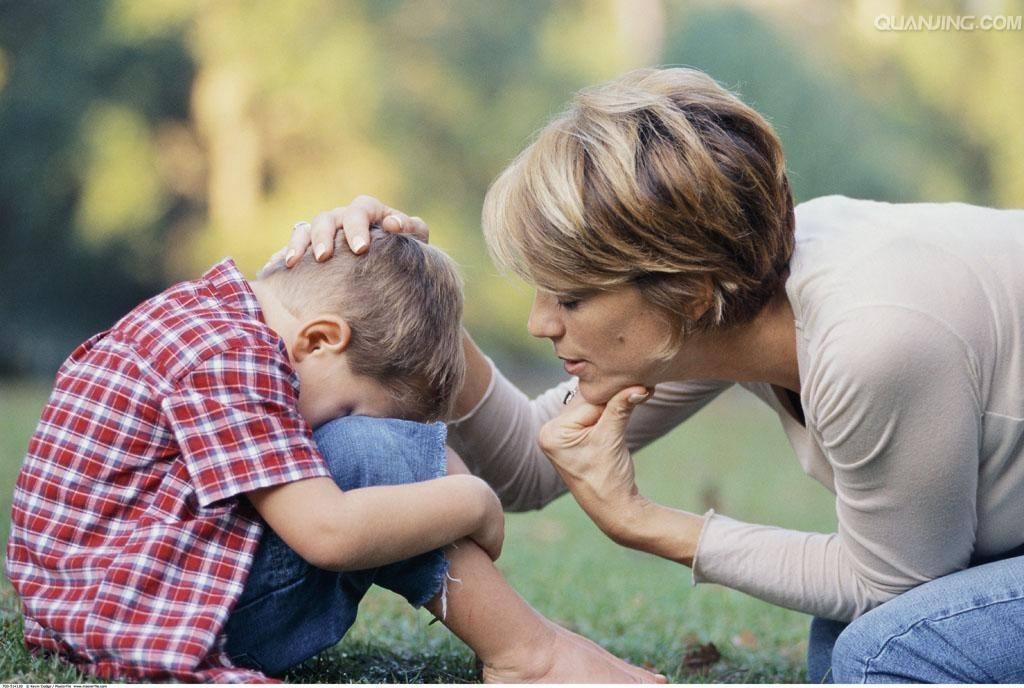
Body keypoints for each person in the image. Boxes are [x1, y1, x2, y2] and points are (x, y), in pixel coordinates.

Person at [288, 67, 1024, 683]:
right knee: (850, 650)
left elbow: (892, 587)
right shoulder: (733, 296)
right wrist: (406, 304)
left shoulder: (872, 338)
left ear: (689, 293)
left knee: (883, 653)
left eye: (571, 296)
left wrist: (646, 524)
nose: (543, 323)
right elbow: (530, 463)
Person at [6, 229, 666, 683]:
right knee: (360, 450)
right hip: (158, 620)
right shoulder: (231, 357)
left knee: (362, 451)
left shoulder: (205, 316)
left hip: (115, 605)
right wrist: (476, 500)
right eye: (350, 400)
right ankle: (527, 652)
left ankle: (533, 641)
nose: (326, 422)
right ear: (321, 339)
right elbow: (328, 534)